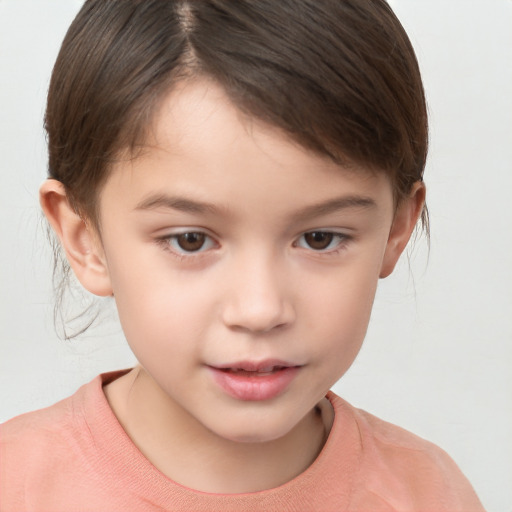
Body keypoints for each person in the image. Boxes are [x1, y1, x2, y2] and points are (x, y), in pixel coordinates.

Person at [0, 0, 486, 510]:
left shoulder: (428, 494)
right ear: (85, 238)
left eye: (320, 238)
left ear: (396, 229)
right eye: (191, 240)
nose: (260, 309)